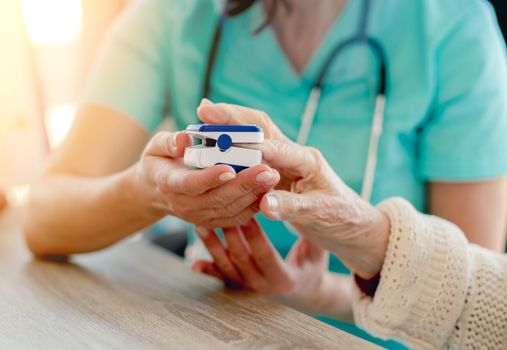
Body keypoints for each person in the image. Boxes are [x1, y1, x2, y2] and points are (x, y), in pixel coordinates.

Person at [23, 0, 507, 347]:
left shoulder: (452, 24)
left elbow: (467, 305)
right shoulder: (174, 14)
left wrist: (320, 295)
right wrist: (149, 191)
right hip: (210, 327)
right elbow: (43, 218)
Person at [192, 103, 507, 349]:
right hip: (223, 316)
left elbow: (470, 317)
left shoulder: (459, 37)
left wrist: (365, 240)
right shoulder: (190, 22)